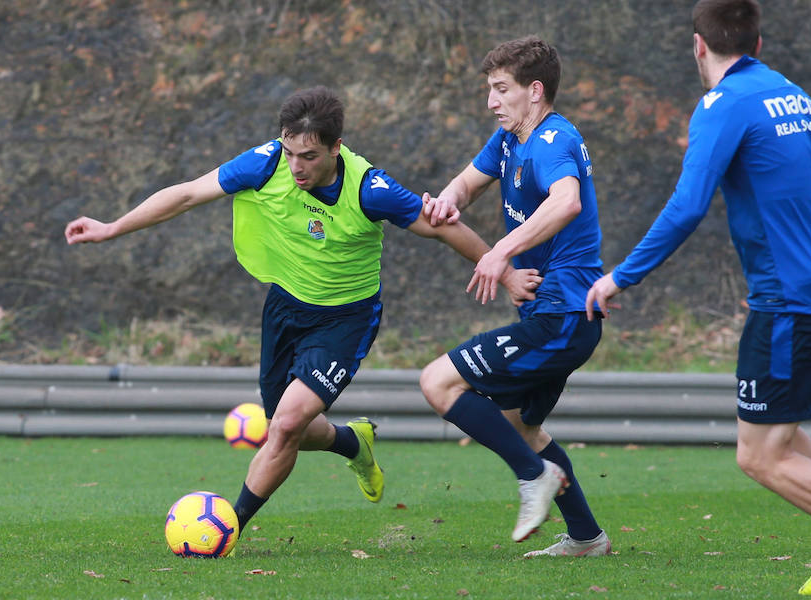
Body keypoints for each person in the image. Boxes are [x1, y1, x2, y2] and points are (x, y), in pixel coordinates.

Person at [64, 86, 539, 539]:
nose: (296, 166)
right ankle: (353, 443)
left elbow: (440, 228)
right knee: (283, 426)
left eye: (309, 156)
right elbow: (188, 193)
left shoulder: (370, 189)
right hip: (285, 308)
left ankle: (227, 527)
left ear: (337, 147)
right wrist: (112, 229)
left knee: (288, 425)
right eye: (290, 152)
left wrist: (506, 272)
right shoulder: (265, 162)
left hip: (345, 320)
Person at [584, 1, 811, 597]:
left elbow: (688, 206)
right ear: (757, 39)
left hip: (786, 303)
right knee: (782, 431)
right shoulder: (794, 97)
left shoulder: (722, 106)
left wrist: (622, 276)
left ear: (699, 46)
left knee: (759, 456)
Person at [419, 36, 611, 558]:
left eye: (501, 90)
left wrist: (500, 252)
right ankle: (587, 538)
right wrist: (446, 202)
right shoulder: (508, 142)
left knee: (437, 382)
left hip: (562, 316)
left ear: (535, 90)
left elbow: (567, 202)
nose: (491, 101)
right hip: (557, 315)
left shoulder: (553, 140)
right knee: (517, 425)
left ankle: (534, 479)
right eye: (489, 89)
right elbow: (467, 183)